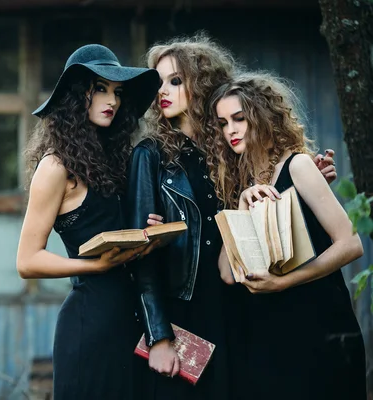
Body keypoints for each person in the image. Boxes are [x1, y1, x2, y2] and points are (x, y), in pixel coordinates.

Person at [126, 33, 338, 400]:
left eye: (176, 81)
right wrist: (158, 334)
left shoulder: (228, 148)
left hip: (242, 300)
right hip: (187, 308)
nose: (164, 90)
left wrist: (310, 174)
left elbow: (274, 175)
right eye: (158, 82)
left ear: (202, 84)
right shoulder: (152, 154)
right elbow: (139, 254)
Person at [16, 44, 161, 400]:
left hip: (133, 321)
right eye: (100, 89)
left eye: (117, 92)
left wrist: (152, 227)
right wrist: (95, 265)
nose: (111, 100)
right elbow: (27, 261)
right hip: (89, 323)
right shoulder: (55, 167)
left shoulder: (120, 160)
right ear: (76, 97)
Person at [210, 72, 366, 400]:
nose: (230, 131)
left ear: (262, 117)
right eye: (223, 123)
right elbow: (227, 273)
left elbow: (351, 244)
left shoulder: (298, 167)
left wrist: (284, 281)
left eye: (239, 118)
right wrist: (239, 205)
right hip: (267, 335)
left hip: (319, 326)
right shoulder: (240, 185)